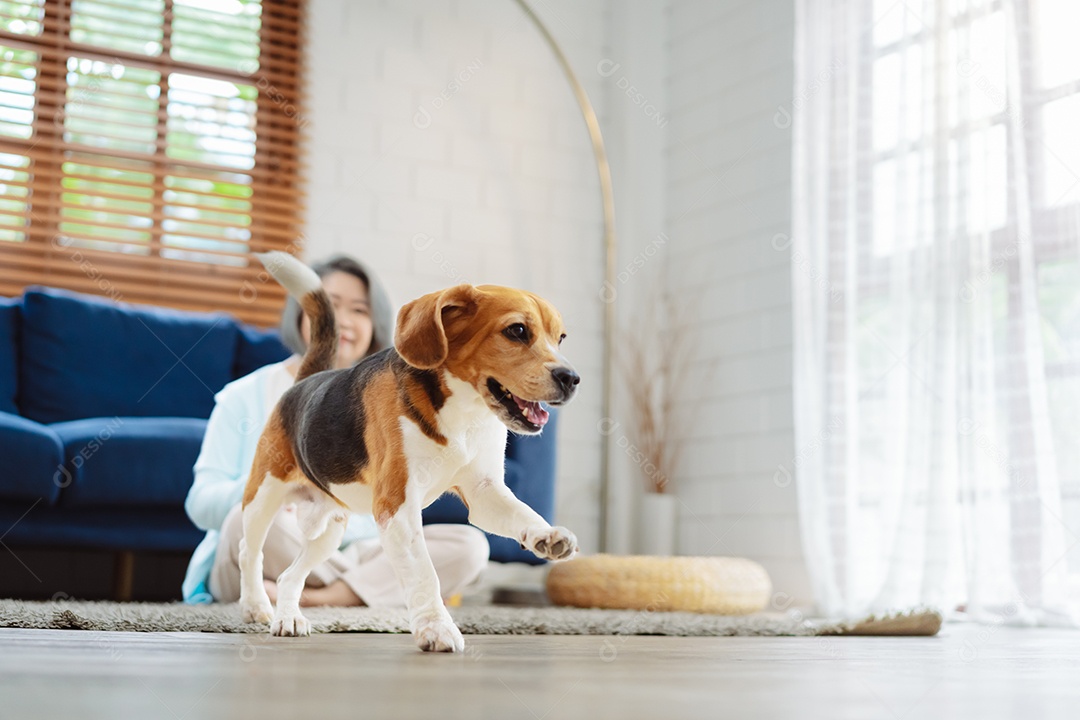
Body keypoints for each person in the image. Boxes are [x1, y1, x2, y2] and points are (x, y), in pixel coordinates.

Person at [182, 254, 489, 606]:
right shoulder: (242, 396)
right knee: (242, 521)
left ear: (376, 323)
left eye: (359, 310)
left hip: (360, 550)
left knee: (469, 546)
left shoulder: (387, 398)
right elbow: (200, 504)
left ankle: (320, 597)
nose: (342, 320)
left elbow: (393, 510)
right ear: (301, 313)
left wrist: (345, 514)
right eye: (330, 305)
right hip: (274, 542)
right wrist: (277, 482)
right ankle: (365, 593)